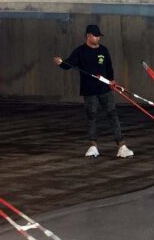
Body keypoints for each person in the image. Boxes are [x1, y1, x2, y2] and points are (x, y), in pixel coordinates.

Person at [53, 24, 133, 158]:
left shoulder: (104, 50)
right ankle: (92, 146)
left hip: (105, 90)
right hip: (89, 92)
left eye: (99, 37)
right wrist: (61, 63)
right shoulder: (80, 51)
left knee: (113, 116)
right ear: (89, 36)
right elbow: (68, 64)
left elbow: (109, 67)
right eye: (96, 36)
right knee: (92, 118)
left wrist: (112, 80)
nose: (98, 39)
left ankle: (121, 146)